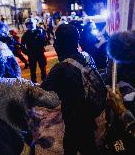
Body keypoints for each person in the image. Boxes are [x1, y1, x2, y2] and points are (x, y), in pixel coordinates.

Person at [40, 24, 106, 155]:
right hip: (89, 119)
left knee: (78, 148)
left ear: (62, 43)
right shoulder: (87, 57)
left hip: (74, 123)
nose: (54, 45)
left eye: (57, 40)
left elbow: (41, 96)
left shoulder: (60, 69)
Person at [21, 18, 47, 83]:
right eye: (27, 24)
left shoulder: (40, 31)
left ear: (34, 23)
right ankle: (34, 83)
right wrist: (28, 53)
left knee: (43, 68)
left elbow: (45, 41)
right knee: (32, 70)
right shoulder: (25, 35)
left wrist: (43, 43)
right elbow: (22, 46)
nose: (29, 25)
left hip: (40, 53)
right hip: (31, 54)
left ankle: (45, 81)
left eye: (31, 23)